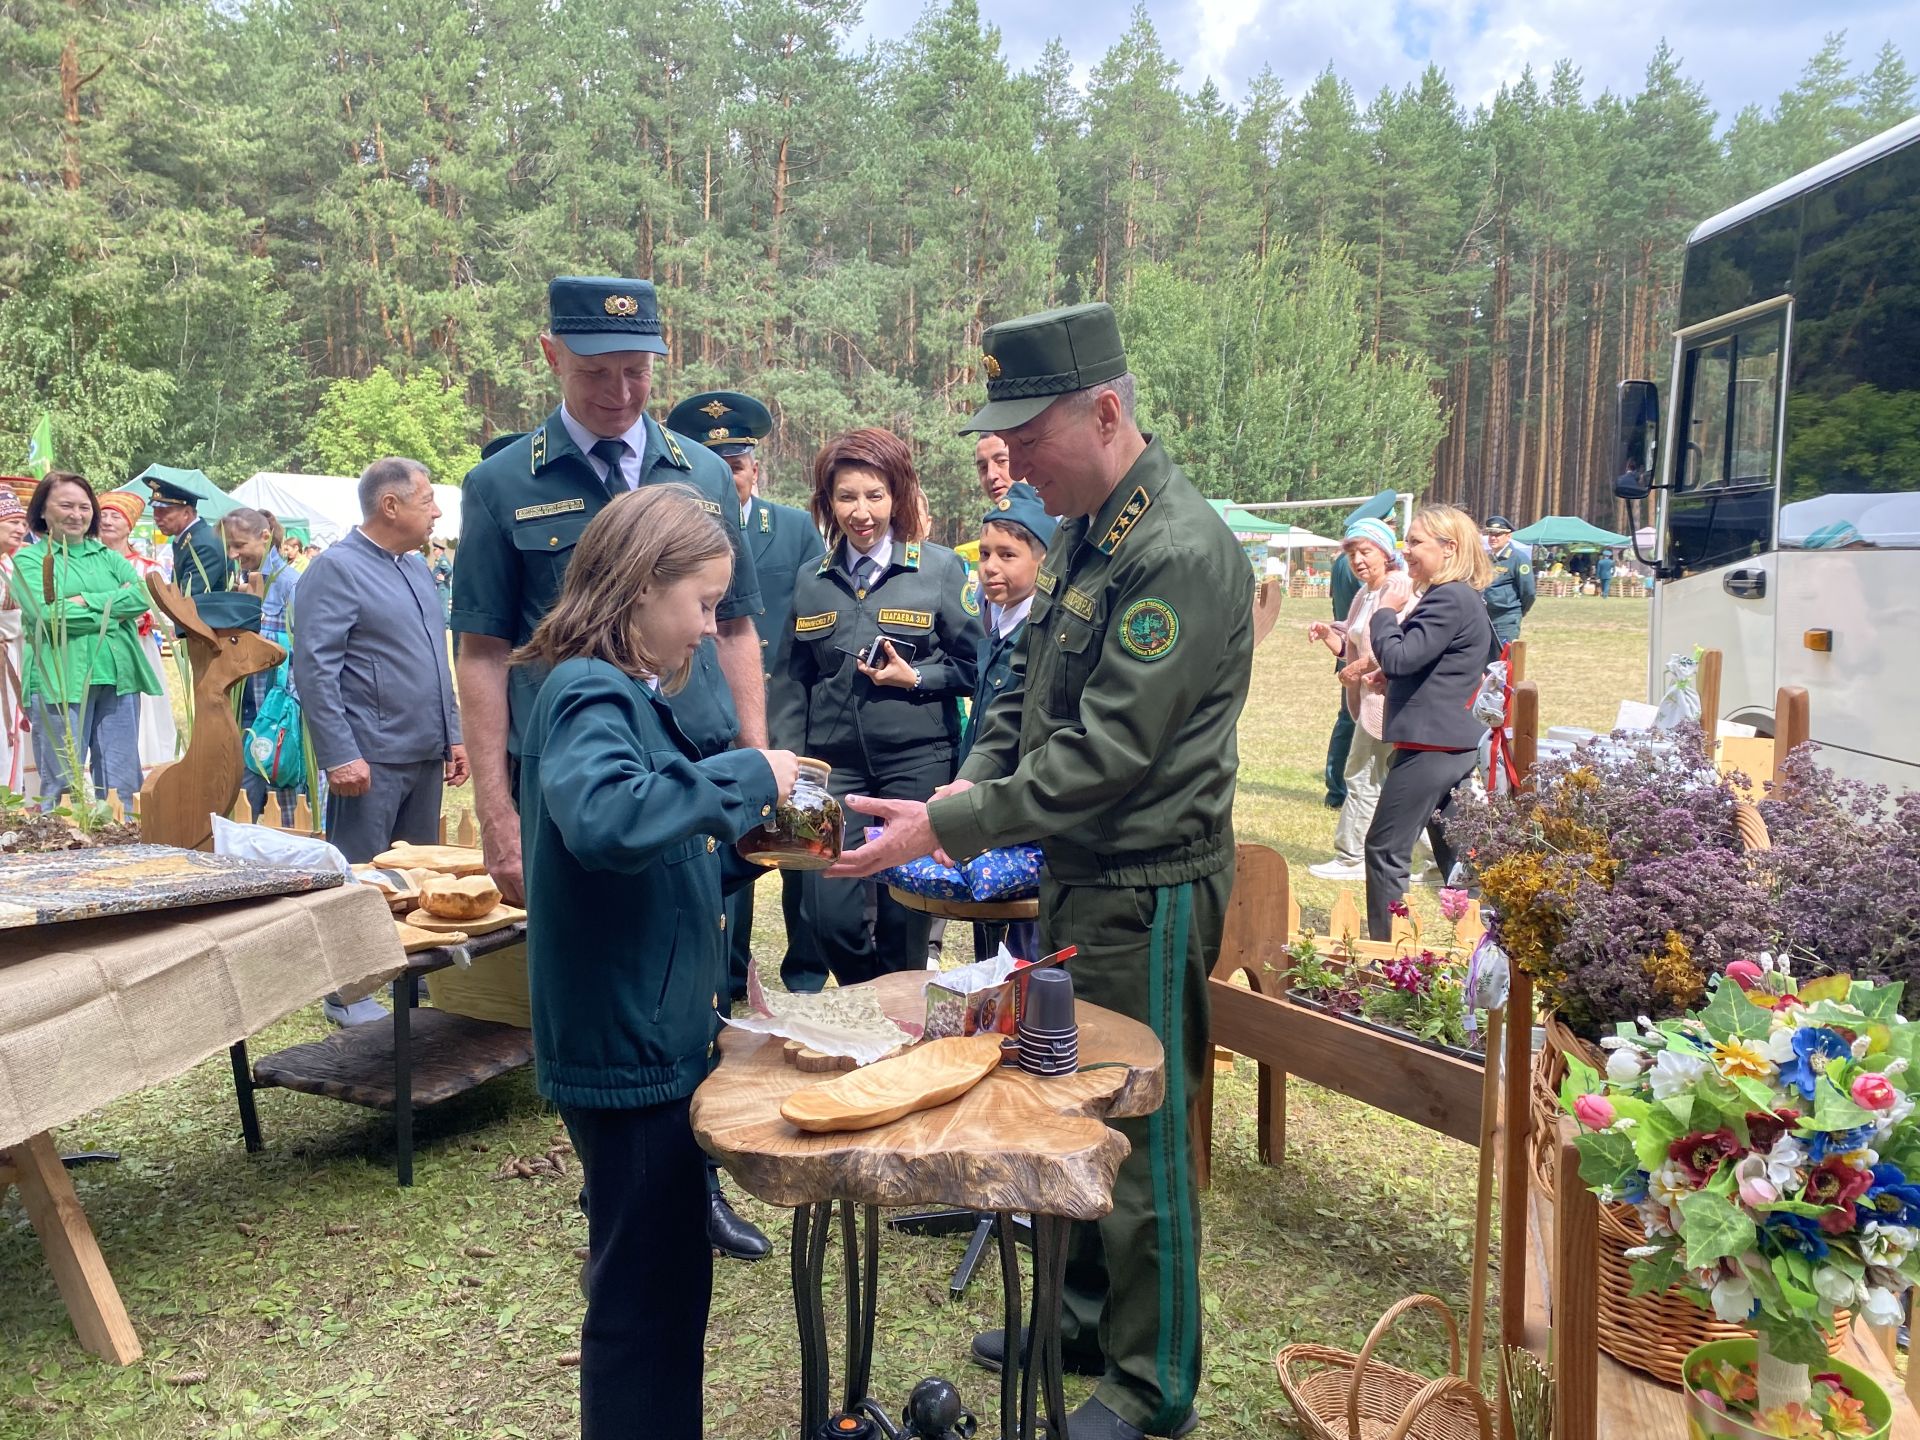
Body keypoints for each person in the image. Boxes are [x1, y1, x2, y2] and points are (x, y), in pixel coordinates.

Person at [836, 303, 1252, 1440]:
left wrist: (952, 825)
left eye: (1032, 433)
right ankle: (1079, 1320)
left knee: (1141, 1128)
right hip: (1083, 874)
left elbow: (1113, 751)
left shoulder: (1177, 549)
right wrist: (951, 797)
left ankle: (1152, 1383)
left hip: (1149, 882)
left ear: (1106, 411)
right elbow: (1018, 698)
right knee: (1069, 1105)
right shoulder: (1083, 529)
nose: (1012, 457)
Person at [451, 276, 770, 1263]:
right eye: (598, 371)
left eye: (638, 371)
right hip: (592, 785)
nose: (622, 390)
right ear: (551, 356)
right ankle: (623, 1181)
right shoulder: (506, 482)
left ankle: (693, 1171)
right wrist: (498, 815)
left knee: (704, 964)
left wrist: (756, 762)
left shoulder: (701, 474)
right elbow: (482, 653)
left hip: (702, 769)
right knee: (617, 975)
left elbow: (741, 628)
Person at [514, 484, 797, 1440]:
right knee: (644, 1300)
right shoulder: (590, 689)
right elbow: (609, 820)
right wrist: (753, 774)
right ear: (640, 591)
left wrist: (744, 861)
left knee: (668, 1283)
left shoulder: (618, 692)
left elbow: (650, 850)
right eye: (704, 604)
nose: (712, 631)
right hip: (627, 1049)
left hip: (647, 1030)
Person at [783, 428, 979, 985]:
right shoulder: (810, 581)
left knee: (904, 917)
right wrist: (793, 768)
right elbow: (795, 681)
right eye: (846, 497)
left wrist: (916, 675)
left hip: (915, 766)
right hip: (831, 770)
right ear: (827, 503)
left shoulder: (940, 571)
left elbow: (975, 669)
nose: (861, 512)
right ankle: (868, 991)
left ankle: (893, 1022)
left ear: (897, 496)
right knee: (827, 911)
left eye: (874, 495)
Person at [664, 389, 829, 999]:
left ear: (755, 466)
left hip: (778, 709)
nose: (726, 476)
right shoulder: (672, 531)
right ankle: (727, 976)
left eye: (735, 464)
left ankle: (806, 971)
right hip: (700, 709)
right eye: (713, 463)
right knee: (721, 845)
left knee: (796, 846)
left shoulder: (790, 529)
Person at [294, 459, 468, 1026]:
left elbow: (434, 663)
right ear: (390, 506)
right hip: (368, 756)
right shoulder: (336, 570)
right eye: (428, 501)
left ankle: (405, 987)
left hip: (421, 752)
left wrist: (454, 736)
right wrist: (340, 752)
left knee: (414, 880)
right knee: (361, 878)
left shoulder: (417, 569)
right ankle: (347, 993)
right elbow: (316, 670)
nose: (437, 512)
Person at [1363, 504, 1494, 940]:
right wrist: (1400, 679)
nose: (1407, 550)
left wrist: (1385, 610)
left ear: (1449, 548)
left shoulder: (1448, 596)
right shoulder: (1461, 597)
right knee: (1457, 856)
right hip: (1450, 743)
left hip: (1433, 746)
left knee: (1385, 849)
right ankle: (1486, 943)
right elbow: (1436, 659)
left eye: (1416, 541)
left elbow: (1400, 656)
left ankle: (1389, 955)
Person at [10, 472, 161, 812]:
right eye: (65, 505)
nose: (77, 514)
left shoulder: (106, 556)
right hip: (60, 677)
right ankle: (63, 858)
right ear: (43, 511)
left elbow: (140, 598)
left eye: (84, 506)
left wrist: (82, 602)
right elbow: (46, 616)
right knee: (62, 782)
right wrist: (110, 611)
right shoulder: (30, 560)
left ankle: (124, 854)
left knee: (121, 782)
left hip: (118, 675)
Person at [1304, 518, 1413, 882]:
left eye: (1365, 551)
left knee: (1363, 775)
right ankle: (1432, 860)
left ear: (1386, 552)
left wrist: (1360, 669)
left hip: (1389, 701)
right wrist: (1326, 634)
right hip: (1368, 702)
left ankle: (1351, 857)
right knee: (1397, 782)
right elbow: (1349, 645)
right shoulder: (1366, 592)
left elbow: (1399, 645)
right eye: (1352, 554)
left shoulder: (1398, 588)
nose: (1358, 561)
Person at [219, 506, 305, 825]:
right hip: (247, 709)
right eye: (228, 545)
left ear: (265, 537)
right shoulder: (243, 581)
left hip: (279, 713)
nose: (232, 553)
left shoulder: (290, 585)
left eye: (239, 545)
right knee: (245, 804)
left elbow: (303, 649)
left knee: (284, 808)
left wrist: (289, 710)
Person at [93, 490, 178, 772]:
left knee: (145, 713)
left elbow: (162, 611)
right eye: (102, 515)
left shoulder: (148, 568)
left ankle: (144, 771)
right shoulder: (87, 564)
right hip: (95, 648)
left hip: (137, 649)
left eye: (115, 516)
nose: (107, 521)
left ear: (129, 525)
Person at [1322, 490, 1396, 809]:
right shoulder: (1380, 577)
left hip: (1352, 655)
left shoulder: (1340, 563)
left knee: (1346, 726)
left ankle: (1336, 788)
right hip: (1362, 660)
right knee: (1355, 728)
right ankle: (1342, 791)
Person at [149, 478, 229, 601]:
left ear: (186, 513)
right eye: (155, 510)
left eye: (163, 511)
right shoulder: (192, 538)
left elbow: (187, 597)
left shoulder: (203, 545)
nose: (156, 517)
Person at [0, 491, 30, 794]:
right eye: (12, 522)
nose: (20, 529)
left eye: (23, 523)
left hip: (14, 658)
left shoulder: (15, 566)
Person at [1480, 515, 1534, 663]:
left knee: (1505, 659)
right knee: (1486, 659)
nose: (1493, 538)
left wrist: (1516, 612)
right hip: (1486, 616)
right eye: (1490, 534)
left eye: (1498, 534)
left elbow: (1528, 592)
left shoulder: (1518, 558)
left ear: (1508, 536)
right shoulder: (1486, 558)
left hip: (1506, 618)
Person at [429, 541, 454, 620]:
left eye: (435, 549)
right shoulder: (440, 559)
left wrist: (445, 577)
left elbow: (449, 570)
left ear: (440, 550)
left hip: (443, 586)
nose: (434, 551)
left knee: (443, 605)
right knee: (441, 604)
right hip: (440, 585)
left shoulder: (442, 559)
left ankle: (446, 624)